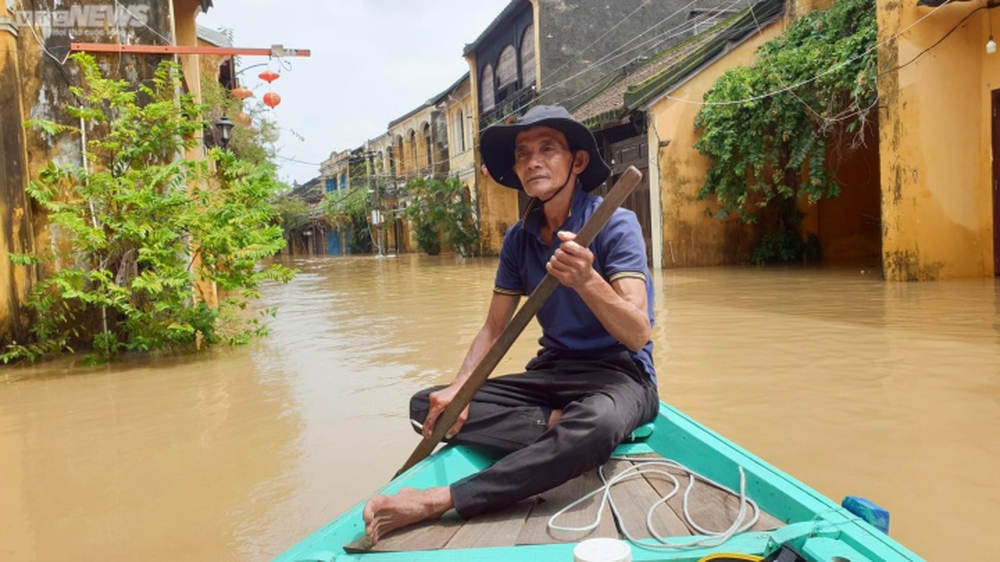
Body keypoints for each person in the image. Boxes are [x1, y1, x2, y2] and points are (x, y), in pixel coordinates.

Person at [363, 105, 658, 544]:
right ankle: (559, 427)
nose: (533, 161)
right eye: (523, 153)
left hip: (618, 376)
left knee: (595, 423)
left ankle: (438, 500)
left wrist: (587, 280)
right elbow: (493, 329)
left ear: (576, 162)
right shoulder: (519, 240)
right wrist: (461, 389)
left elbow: (638, 333)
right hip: (553, 374)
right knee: (428, 406)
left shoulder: (615, 222)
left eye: (547, 149)